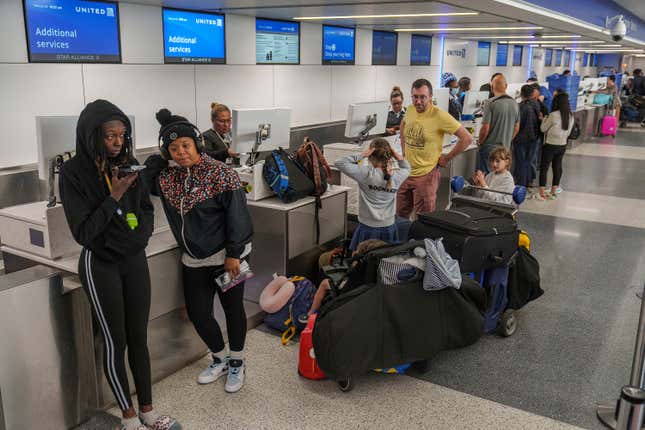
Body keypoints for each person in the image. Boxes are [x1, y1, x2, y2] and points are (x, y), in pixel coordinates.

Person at [59, 100, 180, 430]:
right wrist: (113, 195)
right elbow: (83, 232)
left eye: (122, 135)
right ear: (92, 135)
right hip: (100, 264)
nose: (117, 142)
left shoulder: (131, 165)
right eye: (110, 135)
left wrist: (139, 239)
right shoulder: (72, 174)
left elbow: (146, 211)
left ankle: (147, 410)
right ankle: (128, 419)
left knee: (139, 338)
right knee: (117, 341)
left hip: (132, 258)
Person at [144, 109, 253, 394]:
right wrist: (152, 166)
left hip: (228, 256)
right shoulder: (168, 178)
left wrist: (234, 253)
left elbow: (238, 217)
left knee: (232, 310)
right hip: (193, 259)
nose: (180, 152)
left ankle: (238, 363)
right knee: (198, 313)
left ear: (197, 144)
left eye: (185, 145)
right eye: (173, 147)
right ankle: (220, 356)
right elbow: (143, 185)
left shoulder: (221, 173)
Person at [396, 78, 473, 216]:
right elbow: (403, 125)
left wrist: (447, 158)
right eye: (415, 97)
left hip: (426, 176)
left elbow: (467, 138)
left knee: (423, 218)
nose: (418, 101)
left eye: (422, 97)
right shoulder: (410, 109)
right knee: (400, 215)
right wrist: (403, 150)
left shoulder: (440, 115)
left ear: (431, 97)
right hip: (406, 173)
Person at [335, 138, 410, 250]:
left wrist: (362, 155)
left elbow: (339, 162)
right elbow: (407, 167)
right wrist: (398, 156)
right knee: (385, 261)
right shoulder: (397, 176)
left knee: (362, 262)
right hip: (389, 227)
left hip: (367, 228)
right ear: (389, 156)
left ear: (371, 156)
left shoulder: (365, 173)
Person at [308, 239, 389, 315]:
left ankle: (309, 315)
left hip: (348, 298)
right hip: (371, 302)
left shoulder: (359, 271)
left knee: (324, 283)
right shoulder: (385, 271)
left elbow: (348, 283)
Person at [477, 74, 520, 174]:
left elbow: (485, 127)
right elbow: (517, 128)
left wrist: (480, 142)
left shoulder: (490, 103)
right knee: (499, 177)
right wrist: (507, 140)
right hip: (505, 149)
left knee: (486, 178)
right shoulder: (514, 103)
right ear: (506, 86)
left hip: (489, 149)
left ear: (492, 88)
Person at [538, 93, 574, 201]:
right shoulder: (570, 116)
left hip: (550, 145)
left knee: (544, 168)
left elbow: (543, 129)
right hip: (562, 145)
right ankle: (553, 192)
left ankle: (542, 193)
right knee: (557, 167)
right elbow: (568, 133)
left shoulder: (553, 115)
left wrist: (543, 119)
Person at [512, 85, 541, 188]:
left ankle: (521, 184)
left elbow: (516, 125)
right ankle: (529, 181)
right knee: (529, 161)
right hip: (534, 138)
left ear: (521, 94)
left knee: (521, 161)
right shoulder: (536, 105)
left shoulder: (520, 107)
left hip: (520, 139)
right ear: (532, 94)